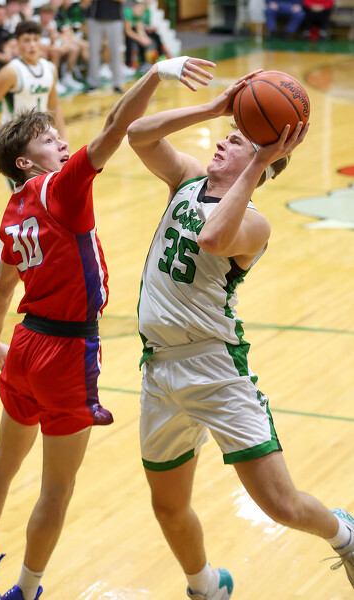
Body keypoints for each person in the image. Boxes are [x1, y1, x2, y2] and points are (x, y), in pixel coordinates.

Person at [0, 55, 215, 600]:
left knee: (3, 463)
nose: (63, 144)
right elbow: (117, 125)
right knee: (58, 487)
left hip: (25, 344)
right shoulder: (61, 187)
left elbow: (2, 289)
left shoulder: (14, 211)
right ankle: (27, 589)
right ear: (26, 162)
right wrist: (156, 73)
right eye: (50, 140)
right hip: (65, 350)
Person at [127, 59, 354, 599]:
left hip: (214, 370)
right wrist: (212, 106)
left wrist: (259, 159)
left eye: (235, 139)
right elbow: (137, 135)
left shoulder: (254, 222)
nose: (221, 141)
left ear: (258, 159)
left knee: (281, 506)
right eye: (226, 134)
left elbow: (212, 238)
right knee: (168, 505)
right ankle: (205, 586)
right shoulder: (185, 179)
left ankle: (345, 535)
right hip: (158, 369)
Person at [0, 19, 68, 273]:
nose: (31, 45)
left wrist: (62, 138)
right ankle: (2, 250)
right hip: (14, 148)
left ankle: (25, 248)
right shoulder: (11, 72)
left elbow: (54, 105)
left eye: (35, 39)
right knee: (26, 201)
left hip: (41, 147)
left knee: (41, 200)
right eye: (26, 40)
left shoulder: (49, 68)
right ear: (17, 44)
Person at [86, 0, 125, 94]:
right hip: (95, 19)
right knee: (93, 52)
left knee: (116, 52)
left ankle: (117, 84)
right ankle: (93, 83)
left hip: (115, 19)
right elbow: (85, 3)